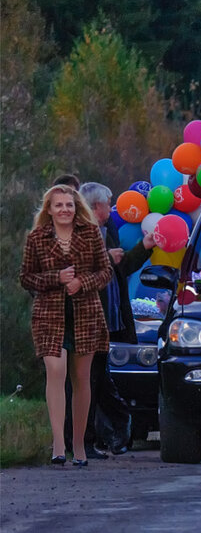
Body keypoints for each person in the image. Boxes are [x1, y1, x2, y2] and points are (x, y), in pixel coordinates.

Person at [20, 184, 113, 467]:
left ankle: (79, 445)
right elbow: (26, 278)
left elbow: (106, 271)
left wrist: (81, 282)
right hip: (49, 316)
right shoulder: (36, 238)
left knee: (81, 379)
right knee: (56, 371)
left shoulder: (91, 233)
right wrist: (56, 278)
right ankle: (58, 445)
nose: (64, 209)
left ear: (77, 208)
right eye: (58, 205)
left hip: (85, 315)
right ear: (49, 209)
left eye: (69, 205)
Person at [76, 182, 155, 455]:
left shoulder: (107, 232)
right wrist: (106, 258)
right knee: (92, 382)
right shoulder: (79, 234)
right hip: (88, 321)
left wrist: (145, 247)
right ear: (95, 207)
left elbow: (121, 270)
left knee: (98, 381)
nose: (111, 209)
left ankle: (98, 437)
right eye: (108, 204)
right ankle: (88, 440)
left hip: (109, 320)